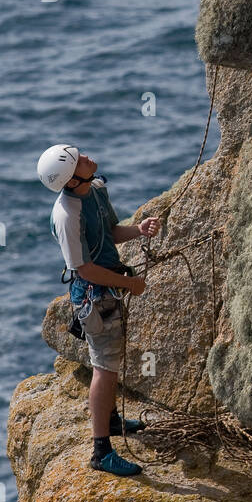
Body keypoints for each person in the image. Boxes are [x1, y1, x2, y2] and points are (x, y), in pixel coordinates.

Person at [37, 144, 159, 476]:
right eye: (79, 160)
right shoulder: (67, 215)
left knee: (112, 359)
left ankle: (112, 419)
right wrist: (130, 284)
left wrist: (138, 230)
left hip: (109, 288)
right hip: (94, 296)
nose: (88, 157)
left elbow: (109, 233)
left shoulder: (97, 188)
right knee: (104, 367)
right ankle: (101, 451)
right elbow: (84, 269)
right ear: (72, 180)